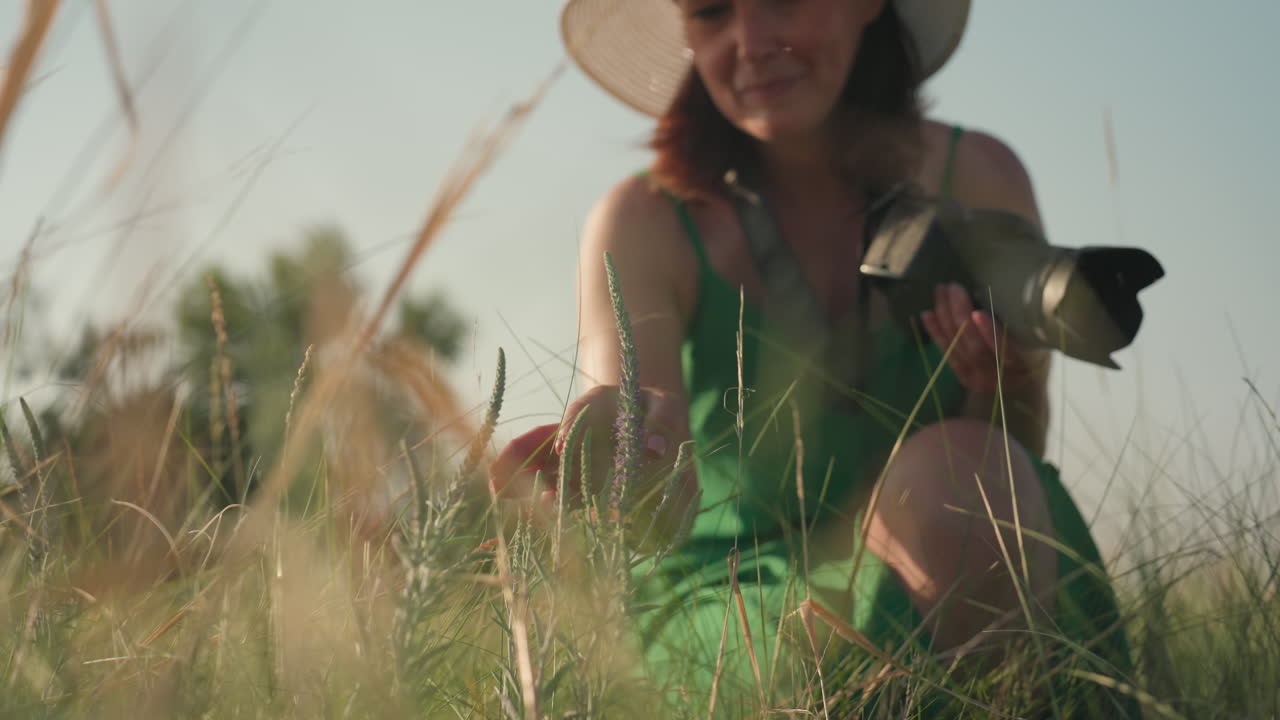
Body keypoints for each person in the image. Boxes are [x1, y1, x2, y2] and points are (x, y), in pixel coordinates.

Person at [492, 0, 1139, 715]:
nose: (752, 42)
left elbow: (1015, 458)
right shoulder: (645, 220)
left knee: (970, 475)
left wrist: (1006, 384)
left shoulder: (977, 175)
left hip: (980, 561)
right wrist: (629, 460)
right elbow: (633, 408)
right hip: (737, 599)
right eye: (711, 12)